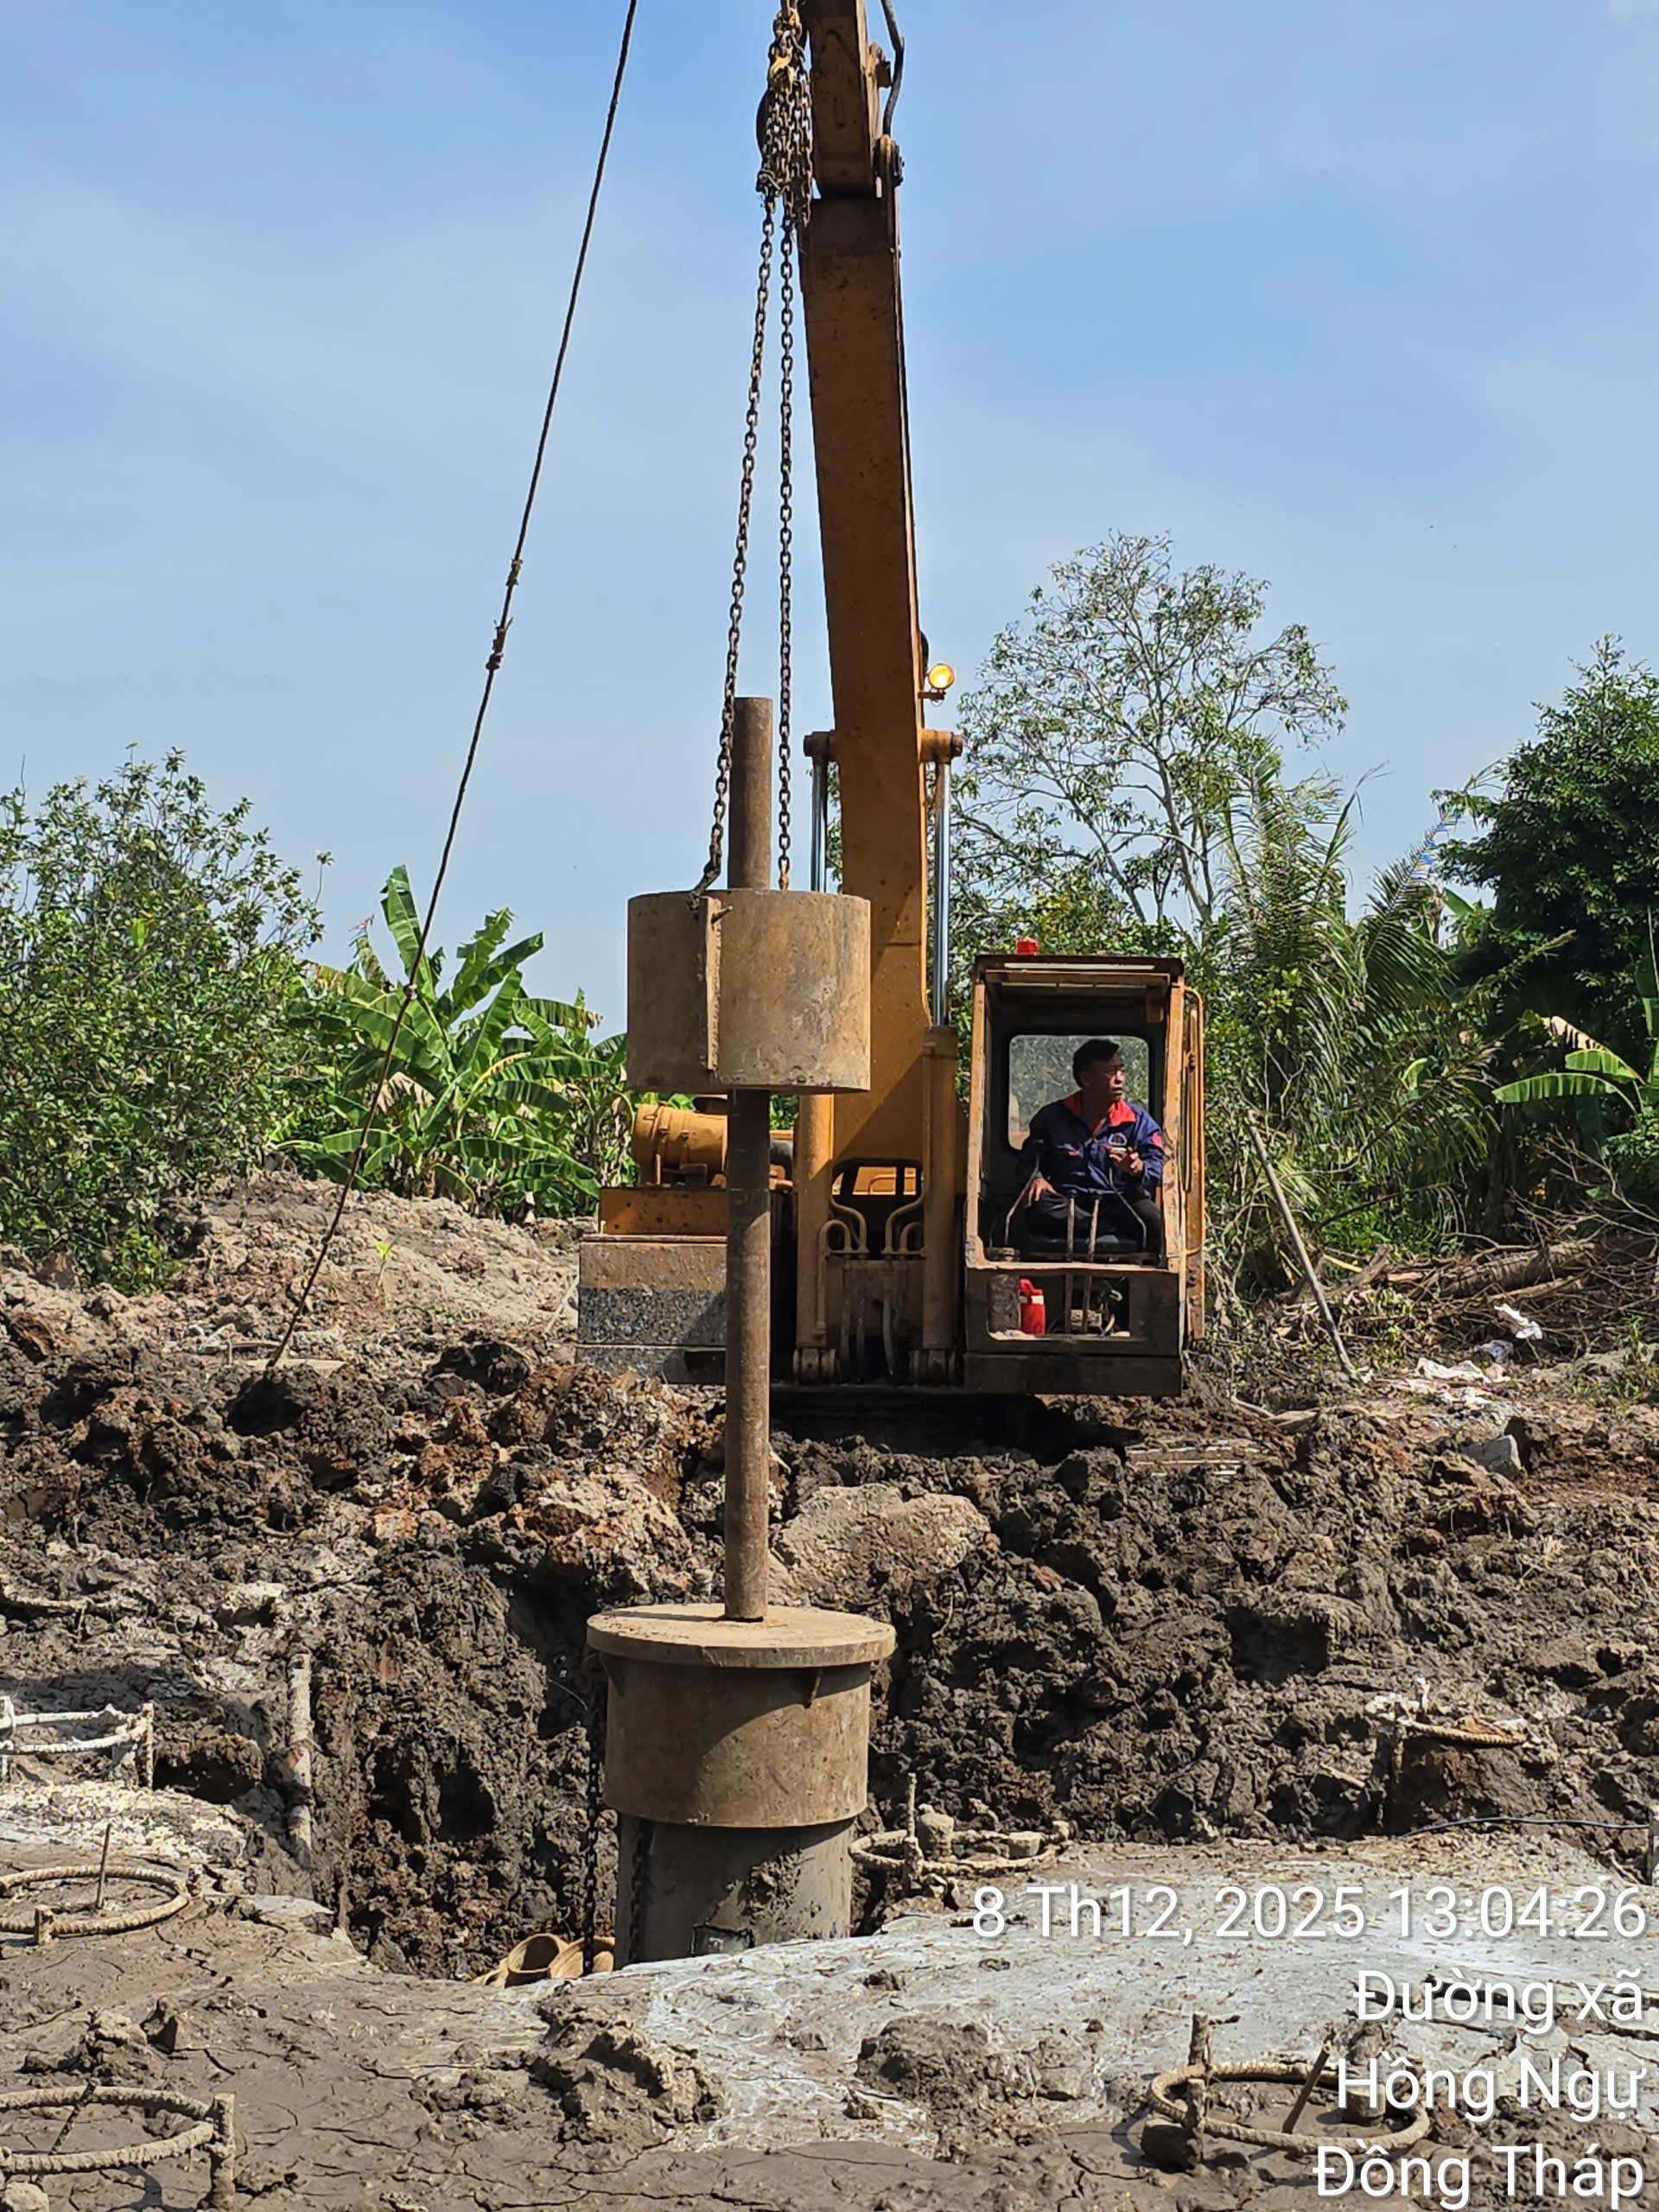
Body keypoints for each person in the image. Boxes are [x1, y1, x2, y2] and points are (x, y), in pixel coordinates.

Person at [1018, 1039, 1167, 1257]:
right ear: (1086, 1079)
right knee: (1037, 1205)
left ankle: (1150, 1284)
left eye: (1122, 1072)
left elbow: (1161, 1164)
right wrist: (1037, 1178)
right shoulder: (1052, 1117)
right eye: (1110, 1072)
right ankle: (1102, 1225)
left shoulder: (1138, 1120)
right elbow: (1029, 1160)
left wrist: (1139, 1168)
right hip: (1067, 1203)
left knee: (1156, 1221)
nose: (1120, 1080)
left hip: (1119, 1203)